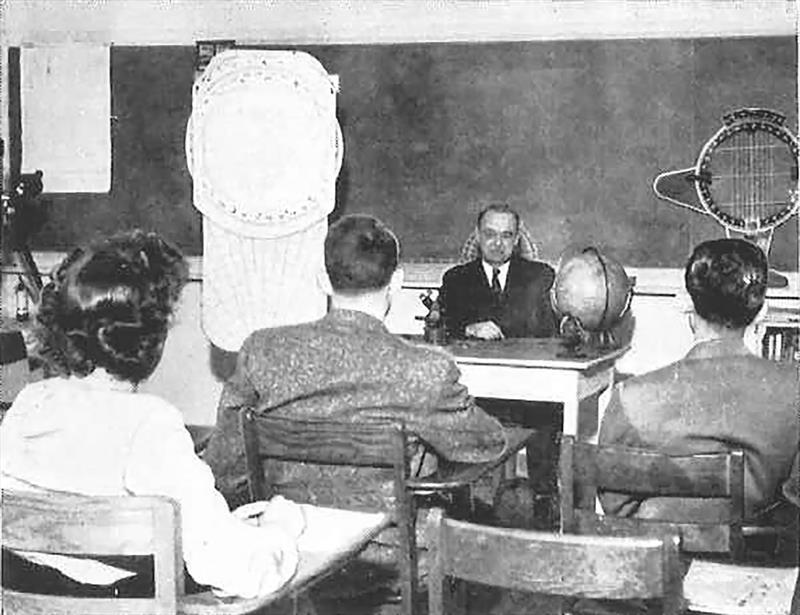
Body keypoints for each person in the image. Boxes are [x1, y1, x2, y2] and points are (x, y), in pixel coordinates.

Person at [0, 230, 305, 600]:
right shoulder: (150, 424)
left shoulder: (29, 404)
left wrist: (219, 526)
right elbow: (234, 568)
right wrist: (279, 532)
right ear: (153, 343)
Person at [203, 213, 509, 509]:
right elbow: (484, 444)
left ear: (323, 281)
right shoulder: (426, 369)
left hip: (285, 537)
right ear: (398, 282)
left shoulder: (262, 350)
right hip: (388, 547)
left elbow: (225, 465)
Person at [599, 238, 798, 522]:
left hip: (662, 557)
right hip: (763, 561)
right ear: (761, 313)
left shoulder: (632, 396)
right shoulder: (794, 391)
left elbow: (615, 505)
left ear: (689, 308)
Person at [438, 203, 557, 340]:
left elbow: (550, 334)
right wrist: (468, 329)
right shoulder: (455, 279)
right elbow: (439, 326)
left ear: (516, 239)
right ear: (477, 235)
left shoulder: (539, 276)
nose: (498, 243)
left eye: (506, 235)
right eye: (490, 234)